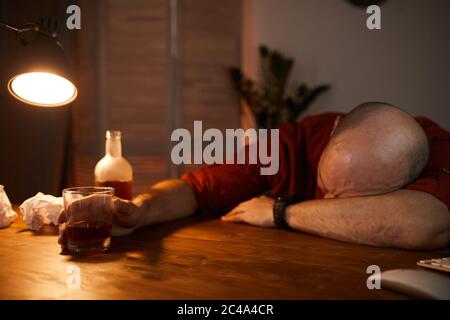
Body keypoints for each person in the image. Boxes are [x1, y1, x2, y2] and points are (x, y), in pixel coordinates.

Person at [59, 102, 450, 250]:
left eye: (355, 201)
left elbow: (425, 224)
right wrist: (142, 210)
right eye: (327, 186)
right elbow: (198, 188)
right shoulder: (294, 140)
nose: (332, 203)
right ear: (331, 135)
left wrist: (283, 212)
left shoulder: (435, 147)